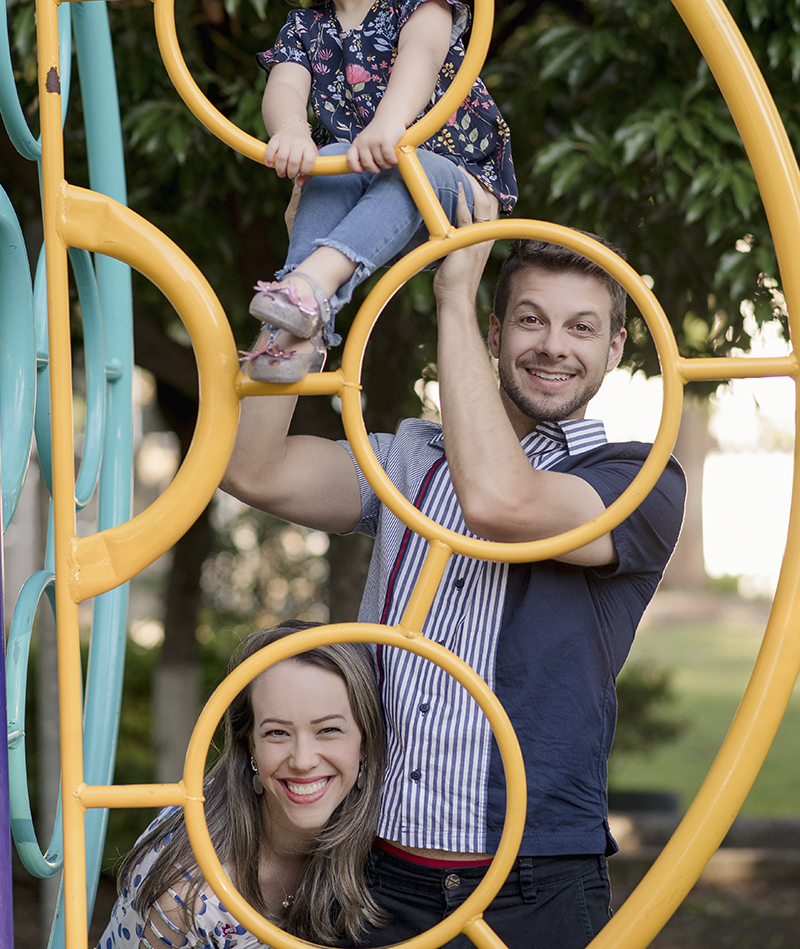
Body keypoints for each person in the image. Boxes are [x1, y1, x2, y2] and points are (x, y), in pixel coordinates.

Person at [222, 188, 686, 949]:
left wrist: (452, 290)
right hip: (377, 867)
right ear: (495, 334)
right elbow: (256, 471)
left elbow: (501, 501)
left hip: (532, 881)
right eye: (531, 319)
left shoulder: (639, 478)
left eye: (582, 327)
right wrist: (293, 334)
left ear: (615, 349)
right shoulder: (412, 457)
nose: (553, 346)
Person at [243, 0, 516, 383]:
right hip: (368, 175)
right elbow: (286, 87)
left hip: (456, 184)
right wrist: (292, 131)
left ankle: (311, 283)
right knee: (326, 168)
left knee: (399, 162)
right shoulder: (306, 26)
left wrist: (392, 123)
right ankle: (296, 324)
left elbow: (421, 56)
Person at [96, 622, 385, 949]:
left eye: (329, 730)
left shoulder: (391, 835)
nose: (303, 760)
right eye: (277, 732)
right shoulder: (187, 892)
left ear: (366, 741)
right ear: (249, 746)